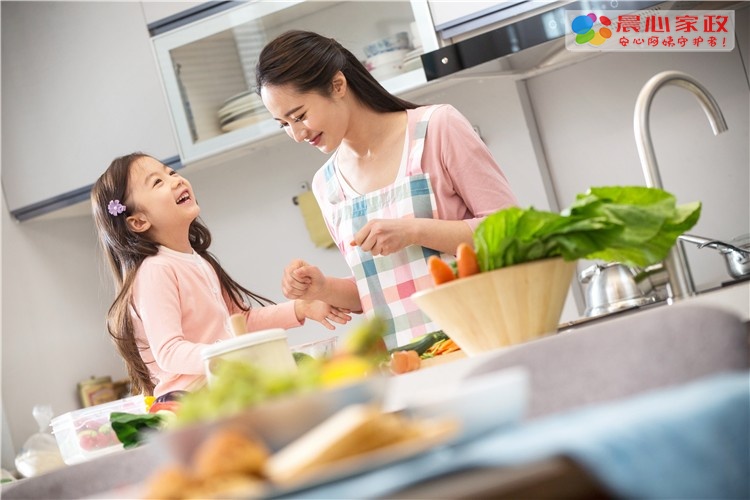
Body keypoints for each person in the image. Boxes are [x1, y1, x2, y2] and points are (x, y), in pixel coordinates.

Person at [255, 30, 518, 349]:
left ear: (337, 85)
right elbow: (376, 291)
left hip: (485, 341)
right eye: (283, 124)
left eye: (299, 116)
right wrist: (322, 288)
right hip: (407, 365)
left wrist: (414, 231)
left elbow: (510, 232)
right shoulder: (327, 186)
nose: (297, 134)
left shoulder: (437, 128)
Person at [91, 152, 351, 398]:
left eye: (171, 172)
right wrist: (231, 356)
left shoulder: (198, 262)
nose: (175, 180)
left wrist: (301, 308)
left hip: (226, 388)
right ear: (138, 221)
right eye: (158, 182)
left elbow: (239, 322)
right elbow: (169, 352)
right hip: (192, 399)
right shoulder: (156, 271)